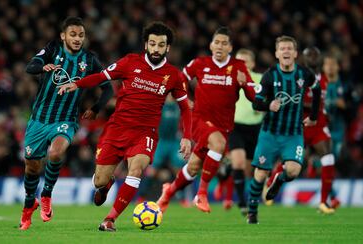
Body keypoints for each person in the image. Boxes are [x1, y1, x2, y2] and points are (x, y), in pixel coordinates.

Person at [58, 22, 192, 232]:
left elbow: (185, 107)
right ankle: (107, 184)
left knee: (136, 170)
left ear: (168, 48)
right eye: (153, 43)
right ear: (146, 44)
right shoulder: (130, 62)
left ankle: (110, 219)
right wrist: (77, 84)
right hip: (117, 129)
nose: (156, 48)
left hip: (145, 133)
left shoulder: (174, 75)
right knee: (99, 181)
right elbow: (102, 77)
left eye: (161, 45)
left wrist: (187, 136)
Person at [19, 17, 113, 230]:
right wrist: (42, 67)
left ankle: (46, 195)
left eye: (81, 35)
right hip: (39, 120)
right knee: (31, 168)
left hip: (66, 120)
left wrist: (96, 108)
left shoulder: (89, 60)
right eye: (73, 34)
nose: (78, 39)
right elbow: (30, 66)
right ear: (63, 36)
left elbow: (108, 88)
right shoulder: (52, 49)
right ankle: (28, 205)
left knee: (55, 153)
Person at [157, 27, 255, 213]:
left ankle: (168, 193)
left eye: (224, 43)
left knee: (193, 168)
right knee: (217, 144)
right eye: (216, 42)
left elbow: (252, 97)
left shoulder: (239, 67)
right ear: (211, 45)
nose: (219, 46)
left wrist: (244, 84)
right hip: (199, 120)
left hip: (223, 126)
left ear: (230, 47)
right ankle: (201, 194)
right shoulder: (200, 63)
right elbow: (180, 79)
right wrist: (184, 98)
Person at [246, 36, 321, 224]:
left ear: (295, 54)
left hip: (293, 134)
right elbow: (256, 103)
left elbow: (317, 88)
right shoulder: (270, 75)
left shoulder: (304, 74)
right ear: (277, 54)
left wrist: (313, 117)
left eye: (289, 48)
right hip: (269, 133)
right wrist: (268, 105)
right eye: (282, 49)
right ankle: (252, 210)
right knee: (260, 174)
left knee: (294, 170)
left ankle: (278, 180)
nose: (286, 51)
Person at [216, 48, 263, 214]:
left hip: (255, 128)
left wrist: (263, 108)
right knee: (239, 163)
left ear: (252, 64)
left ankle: (226, 171)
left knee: (248, 170)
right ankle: (242, 202)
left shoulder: (260, 79)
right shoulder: (228, 79)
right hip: (235, 126)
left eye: (245, 62)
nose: (241, 65)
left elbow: (268, 99)